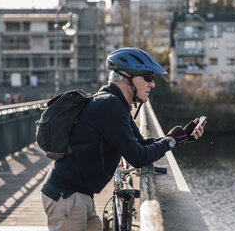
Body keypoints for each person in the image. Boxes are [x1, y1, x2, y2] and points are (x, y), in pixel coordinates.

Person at [40, 47, 205, 231]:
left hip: (78, 196)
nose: (152, 85)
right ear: (127, 78)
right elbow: (138, 156)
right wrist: (169, 142)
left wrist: (179, 137)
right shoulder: (109, 105)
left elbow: (140, 144)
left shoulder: (114, 103)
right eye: (148, 78)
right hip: (67, 198)